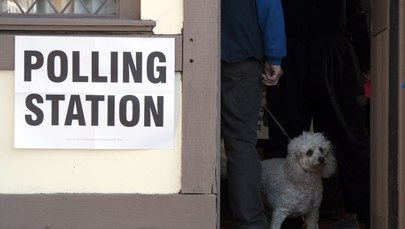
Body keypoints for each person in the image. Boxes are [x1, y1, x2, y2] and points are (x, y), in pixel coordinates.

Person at [263, 0, 371, 228]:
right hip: (335, 57)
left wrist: (268, 53)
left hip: (288, 53)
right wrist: (366, 61)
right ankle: (362, 212)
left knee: (286, 139)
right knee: (347, 139)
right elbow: (356, 16)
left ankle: (287, 219)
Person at [221, 0, 286, 228]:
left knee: (191, 140)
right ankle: (250, 223)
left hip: (191, 52)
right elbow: (269, 6)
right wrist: (274, 56)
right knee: (241, 145)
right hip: (243, 57)